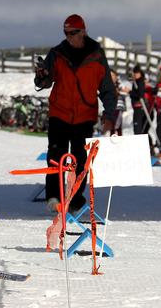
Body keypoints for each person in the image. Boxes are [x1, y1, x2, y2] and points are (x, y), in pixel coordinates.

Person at [34, 14, 116, 214]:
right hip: (59, 113)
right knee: (55, 156)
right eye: (66, 33)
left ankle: (75, 199)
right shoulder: (57, 53)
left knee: (80, 160)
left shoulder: (97, 55)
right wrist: (41, 76)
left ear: (83, 31)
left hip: (85, 115)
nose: (69, 36)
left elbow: (107, 88)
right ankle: (54, 196)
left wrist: (110, 115)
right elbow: (45, 82)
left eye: (73, 33)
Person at [110, 69, 126, 135]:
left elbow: (126, 92)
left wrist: (119, 91)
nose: (112, 77)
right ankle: (111, 139)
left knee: (118, 125)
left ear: (116, 76)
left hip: (118, 106)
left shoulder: (120, 85)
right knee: (111, 125)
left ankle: (120, 139)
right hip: (110, 107)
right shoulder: (107, 85)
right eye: (110, 75)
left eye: (113, 75)